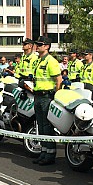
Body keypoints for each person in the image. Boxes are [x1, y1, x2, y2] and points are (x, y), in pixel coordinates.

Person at [31, 36, 61, 165]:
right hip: (37, 95)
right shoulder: (39, 60)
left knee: (47, 126)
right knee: (40, 126)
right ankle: (43, 152)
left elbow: (58, 79)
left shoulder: (51, 61)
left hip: (46, 97)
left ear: (47, 46)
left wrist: (55, 95)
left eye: (40, 44)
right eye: (37, 44)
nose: (37, 46)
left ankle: (50, 154)